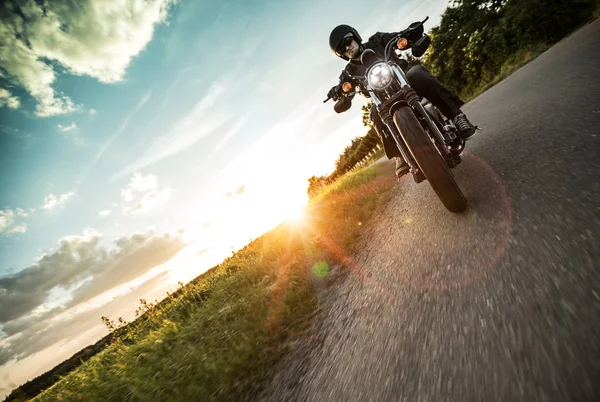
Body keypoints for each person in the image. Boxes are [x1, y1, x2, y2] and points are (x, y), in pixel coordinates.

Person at [327, 23, 476, 179]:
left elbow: (394, 38)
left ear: (355, 36)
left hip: (407, 83)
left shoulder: (377, 40)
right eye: (342, 49)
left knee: (417, 72)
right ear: (341, 55)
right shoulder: (349, 72)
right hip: (384, 100)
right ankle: (400, 154)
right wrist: (338, 91)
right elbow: (343, 86)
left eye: (347, 42)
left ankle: (457, 116)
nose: (347, 48)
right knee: (375, 113)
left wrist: (405, 36)